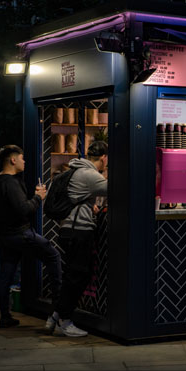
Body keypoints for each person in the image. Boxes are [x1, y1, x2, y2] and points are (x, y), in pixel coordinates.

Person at [0, 145, 62, 328]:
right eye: (22, 158)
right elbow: (24, 209)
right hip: (20, 233)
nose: (24, 161)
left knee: (6, 272)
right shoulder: (10, 183)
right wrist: (38, 197)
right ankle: (59, 310)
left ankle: (5, 316)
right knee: (53, 256)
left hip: (3, 234)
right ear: (13, 160)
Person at [46, 141, 108, 337]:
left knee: (74, 275)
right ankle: (64, 320)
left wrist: (90, 206)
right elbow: (120, 188)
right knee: (79, 276)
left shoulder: (76, 170)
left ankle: (56, 315)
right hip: (78, 232)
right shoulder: (89, 174)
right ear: (103, 157)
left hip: (69, 231)